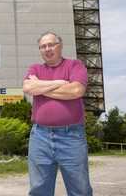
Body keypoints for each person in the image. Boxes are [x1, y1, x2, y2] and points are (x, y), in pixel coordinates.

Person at [23, 32, 93, 196]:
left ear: (60, 46)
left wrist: (40, 88)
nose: (47, 49)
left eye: (51, 45)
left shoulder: (75, 65)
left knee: (80, 189)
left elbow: (76, 90)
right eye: (43, 46)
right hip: (40, 136)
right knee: (39, 189)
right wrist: (60, 83)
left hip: (71, 136)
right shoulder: (36, 68)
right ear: (40, 50)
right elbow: (28, 88)